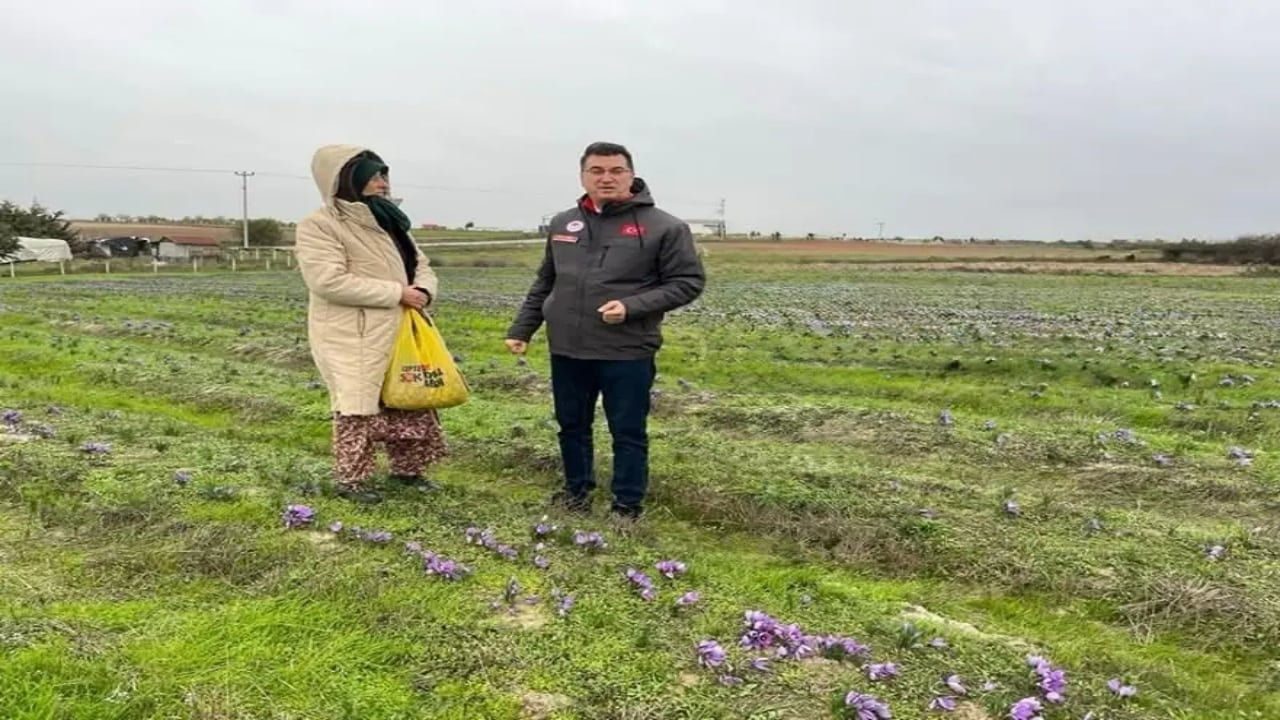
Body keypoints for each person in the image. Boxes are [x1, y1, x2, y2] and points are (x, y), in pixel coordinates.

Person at [505, 141, 706, 519]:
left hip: (626, 349)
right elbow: (547, 281)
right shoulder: (564, 223)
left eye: (616, 171)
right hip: (567, 347)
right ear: (583, 176)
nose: (606, 178)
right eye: (596, 171)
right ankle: (576, 493)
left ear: (631, 175)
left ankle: (627, 505)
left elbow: (687, 282)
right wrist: (523, 327)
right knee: (571, 426)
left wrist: (632, 307)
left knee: (627, 431)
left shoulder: (665, 227)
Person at [295, 144, 448, 504]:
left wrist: (423, 289)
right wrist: (397, 293)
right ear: (348, 181)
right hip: (353, 331)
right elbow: (328, 281)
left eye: (384, 175)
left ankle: (408, 472)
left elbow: (421, 264)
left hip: (402, 325)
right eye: (373, 176)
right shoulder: (320, 225)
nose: (382, 183)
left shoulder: (390, 220)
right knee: (358, 407)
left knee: (408, 397)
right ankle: (353, 481)